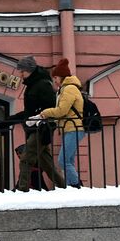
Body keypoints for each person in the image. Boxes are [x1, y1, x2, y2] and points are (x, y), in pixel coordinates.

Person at [7, 55, 64, 191]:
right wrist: (10, 119)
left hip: (41, 129)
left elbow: (50, 107)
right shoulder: (33, 85)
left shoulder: (42, 84)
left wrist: (47, 124)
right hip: (35, 128)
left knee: (26, 159)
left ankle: (22, 190)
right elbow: (29, 112)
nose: (20, 75)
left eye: (22, 71)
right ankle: (64, 187)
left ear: (30, 70)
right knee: (47, 164)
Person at [39, 58, 85, 188]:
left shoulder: (69, 89)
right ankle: (72, 186)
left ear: (61, 77)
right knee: (68, 160)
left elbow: (62, 110)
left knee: (63, 160)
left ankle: (76, 185)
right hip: (70, 128)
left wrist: (46, 112)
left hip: (73, 128)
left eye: (55, 77)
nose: (54, 80)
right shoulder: (65, 89)